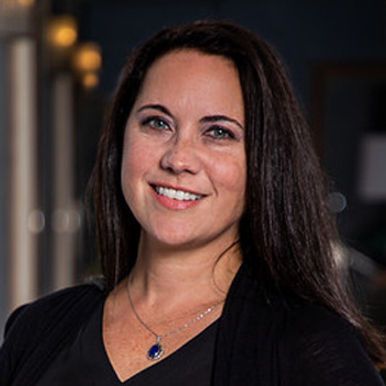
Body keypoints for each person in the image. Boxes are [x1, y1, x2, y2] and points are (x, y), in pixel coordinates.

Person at [0, 20, 385, 386]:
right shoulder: (39, 329)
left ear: (263, 161)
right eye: (157, 123)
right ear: (121, 139)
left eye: (218, 132)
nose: (179, 158)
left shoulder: (308, 346)